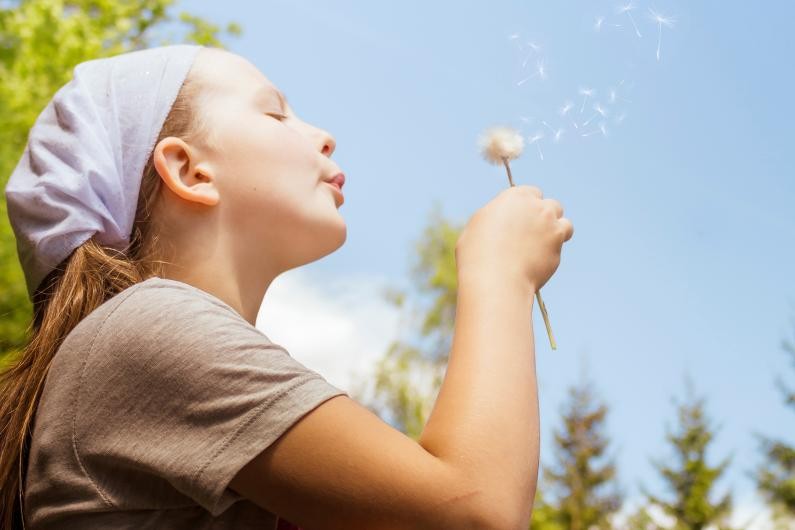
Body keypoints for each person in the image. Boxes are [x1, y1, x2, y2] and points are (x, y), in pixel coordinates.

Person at [0, 43, 573, 529]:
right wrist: (500, 273)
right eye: (275, 116)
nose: (324, 136)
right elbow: (477, 511)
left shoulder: (151, 343)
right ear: (189, 170)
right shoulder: (147, 327)